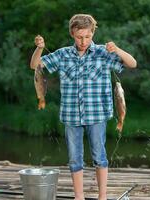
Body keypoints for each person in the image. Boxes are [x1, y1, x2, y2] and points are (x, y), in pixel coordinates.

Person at [30, 14, 137, 200]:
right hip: (71, 115)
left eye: (87, 36)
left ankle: (102, 196)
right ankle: (78, 197)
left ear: (93, 33)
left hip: (98, 115)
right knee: (74, 158)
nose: (83, 41)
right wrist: (39, 49)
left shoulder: (103, 53)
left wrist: (117, 49)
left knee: (99, 156)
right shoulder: (63, 54)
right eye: (79, 36)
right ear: (72, 33)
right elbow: (34, 65)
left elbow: (132, 64)